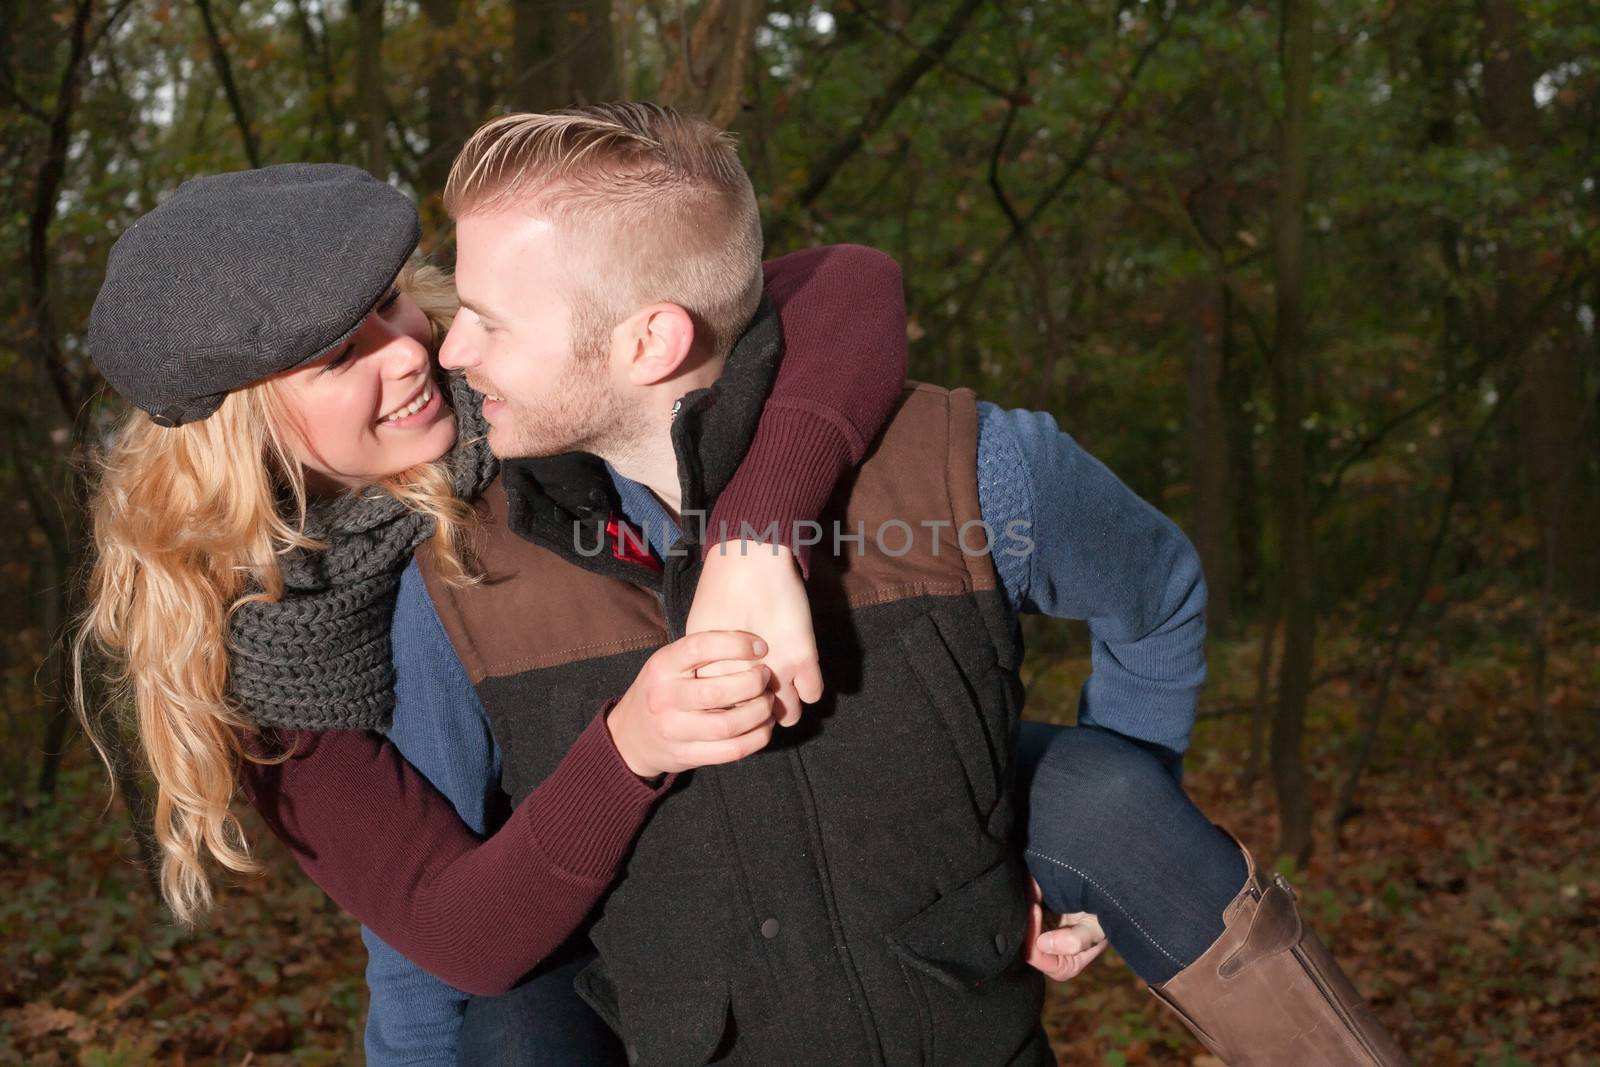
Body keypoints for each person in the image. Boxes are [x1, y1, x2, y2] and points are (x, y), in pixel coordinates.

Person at [258, 104, 1406, 1066]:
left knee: (1104, 789)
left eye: (488, 324)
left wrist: (1103, 843)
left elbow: (1154, 588)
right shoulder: (455, 574)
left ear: (649, 339)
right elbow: (430, 926)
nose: (446, 352)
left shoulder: (974, 463)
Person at [74, 162, 916, 1063]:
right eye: (336, 356)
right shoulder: (271, 659)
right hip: (580, 948)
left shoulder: (517, 378)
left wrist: (756, 541)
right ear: (240, 432)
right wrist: (629, 744)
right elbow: (444, 935)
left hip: (822, 797)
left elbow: (843, 280)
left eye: (389, 301)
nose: (408, 349)